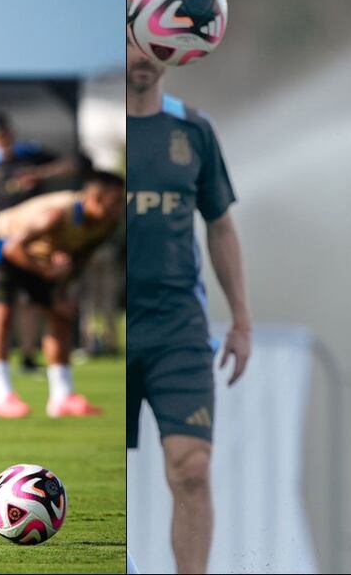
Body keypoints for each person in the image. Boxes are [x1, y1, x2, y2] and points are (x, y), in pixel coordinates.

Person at [125, 40, 252, 574]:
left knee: (192, 471)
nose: (145, 52)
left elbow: (220, 226)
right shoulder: (104, 134)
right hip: (112, 331)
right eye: (134, 37)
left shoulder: (194, 130)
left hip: (178, 329)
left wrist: (242, 320)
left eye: (158, 42)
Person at [0, 170, 124, 418]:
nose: (120, 208)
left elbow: (80, 258)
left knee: (61, 316)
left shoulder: (108, 224)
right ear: (96, 198)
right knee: (1, 314)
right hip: (2, 248)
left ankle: (62, 397)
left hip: (43, 262)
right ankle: (1, 396)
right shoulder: (55, 215)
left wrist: (63, 291)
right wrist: (48, 273)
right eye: (115, 201)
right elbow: (13, 248)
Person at [0, 112, 75, 373]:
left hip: (30, 235)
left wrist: (40, 174)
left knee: (30, 299)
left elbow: (71, 164)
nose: (3, 141)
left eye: (6, 136)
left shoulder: (29, 154)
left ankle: (27, 354)